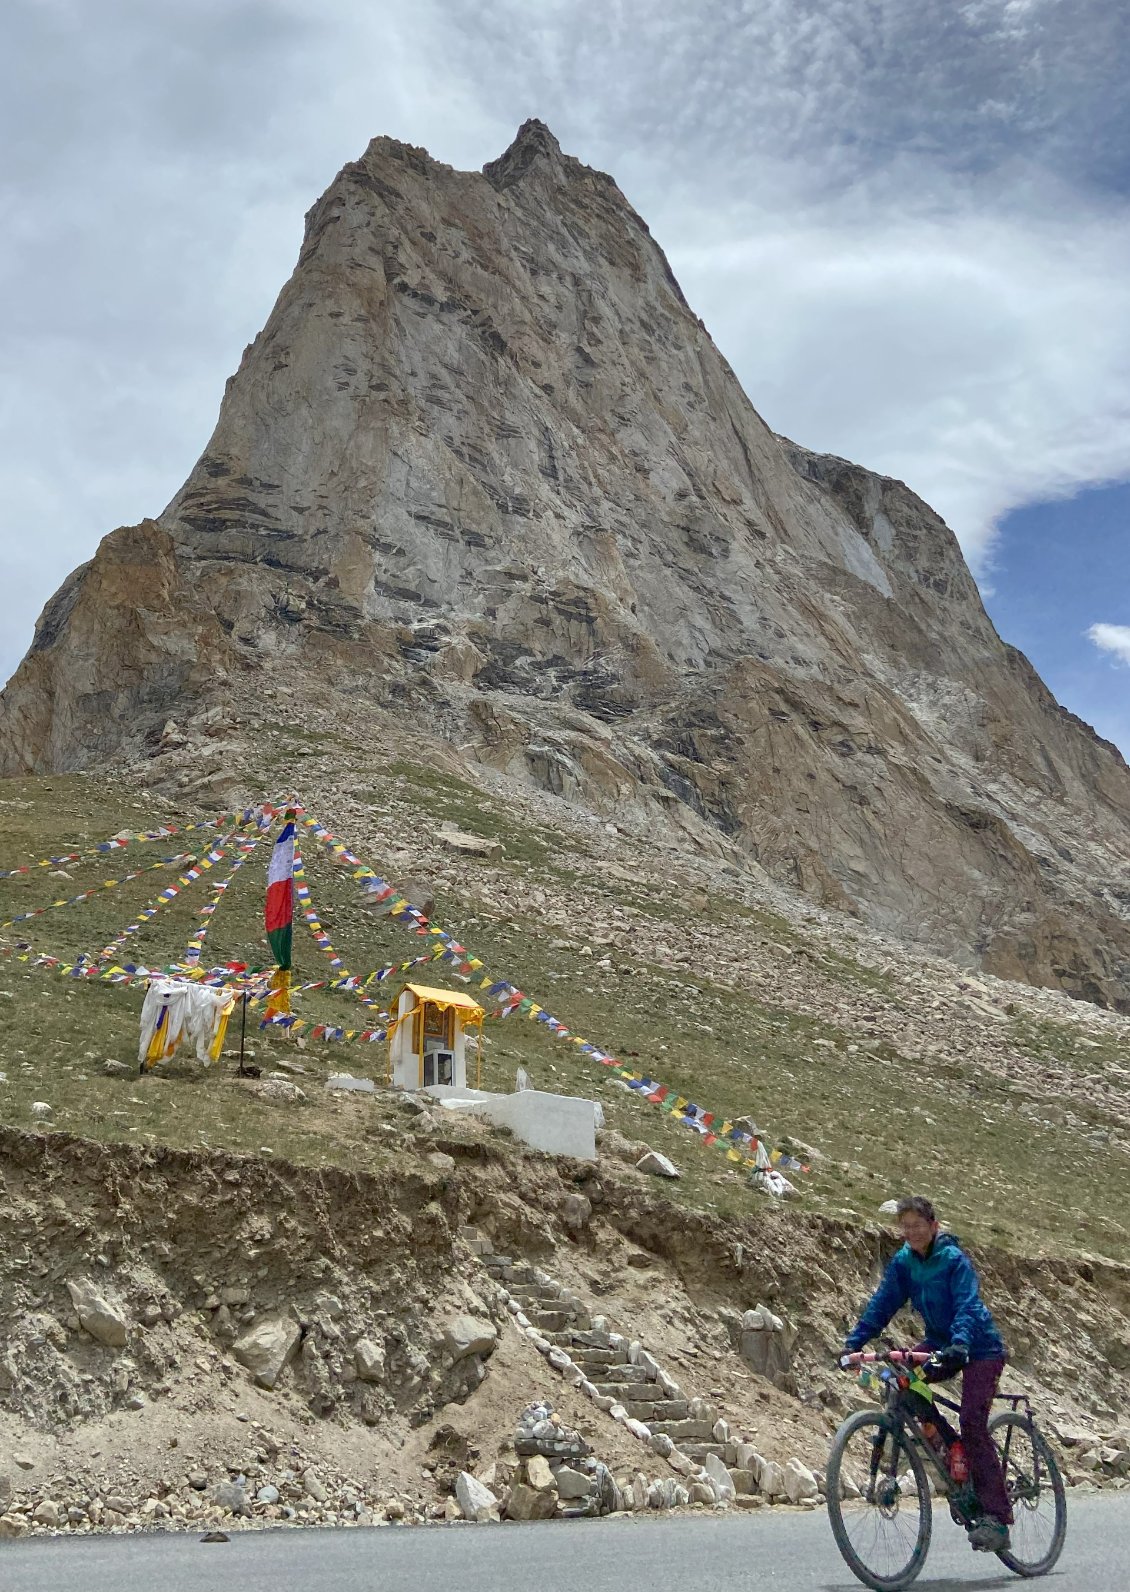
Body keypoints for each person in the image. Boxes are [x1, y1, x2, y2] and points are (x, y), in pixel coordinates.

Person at [842, 1195, 1012, 1553]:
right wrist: (853, 1343)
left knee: (972, 1420)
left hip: (979, 1347)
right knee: (904, 1384)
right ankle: (954, 1455)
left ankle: (996, 1516)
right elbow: (883, 1303)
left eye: (917, 1226)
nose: (912, 1232)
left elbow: (967, 1304)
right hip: (940, 1342)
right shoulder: (904, 1262)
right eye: (905, 1227)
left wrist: (961, 1343)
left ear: (933, 1226)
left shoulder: (953, 1260)